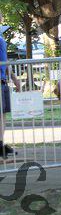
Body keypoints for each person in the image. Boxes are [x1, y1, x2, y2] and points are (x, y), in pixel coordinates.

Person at [0, 13, 21, 158]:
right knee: (1, 116)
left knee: (2, 115)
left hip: (3, 81)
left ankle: (1, 144)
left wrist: (14, 78)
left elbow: (5, 61)